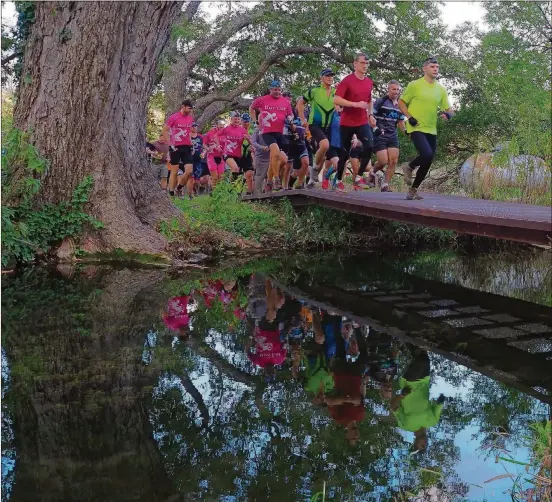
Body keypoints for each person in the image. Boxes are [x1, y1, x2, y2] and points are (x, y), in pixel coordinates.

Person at [398, 57, 454, 200]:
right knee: (427, 154)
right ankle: (410, 166)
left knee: (428, 160)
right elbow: (401, 102)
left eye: (437, 67)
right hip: (415, 126)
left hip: (431, 129)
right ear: (425, 69)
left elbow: (449, 109)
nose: (436, 69)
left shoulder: (440, 89)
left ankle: (413, 189)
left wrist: (448, 115)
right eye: (432, 66)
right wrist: (409, 116)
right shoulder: (414, 85)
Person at [333, 53, 377, 192]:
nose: (365, 66)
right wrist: (355, 104)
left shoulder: (369, 82)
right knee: (344, 154)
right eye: (363, 63)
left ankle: (358, 177)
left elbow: (369, 100)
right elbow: (337, 100)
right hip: (346, 122)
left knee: (369, 146)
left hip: (362, 121)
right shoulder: (347, 81)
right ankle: (339, 180)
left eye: (367, 63)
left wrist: (370, 114)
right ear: (355, 64)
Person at [390, 347, 445, 453]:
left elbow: (393, 406)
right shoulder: (432, 421)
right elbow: (438, 406)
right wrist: (441, 400)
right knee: (423, 354)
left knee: (422, 359)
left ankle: (403, 338)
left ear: (415, 443)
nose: (425, 444)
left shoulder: (406, 425)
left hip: (409, 383)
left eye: (421, 446)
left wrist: (401, 396)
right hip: (425, 381)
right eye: (426, 445)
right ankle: (405, 338)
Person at [249, 80, 294, 192]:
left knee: (284, 160)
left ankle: (268, 180)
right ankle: (276, 179)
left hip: (280, 133)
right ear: (270, 90)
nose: (277, 92)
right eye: (275, 90)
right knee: (274, 152)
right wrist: (255, 122)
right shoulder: (263, 99)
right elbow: (252, 108)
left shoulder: (285, 102)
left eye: (279, 90)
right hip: (267, 131)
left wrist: (290, 119)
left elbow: (290, 114)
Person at [297, 68, 337, 186]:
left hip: (329, 126)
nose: (330, 78)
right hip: (315, 125)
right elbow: (300, 102)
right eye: (327, 75)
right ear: (321, 78)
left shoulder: (336, 92)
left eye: (331, 76)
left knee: (325, 157)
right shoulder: (314, 91)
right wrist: (303, 119)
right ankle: (314, 169)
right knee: (324, 145)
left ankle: (312, 180)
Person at [364, 80, 407, 192]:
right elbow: (370, 116)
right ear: (388, 90)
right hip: (380, 135)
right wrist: (375, 128)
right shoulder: (381, 101)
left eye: (398, 89)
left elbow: (401, 122)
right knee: (383, 161)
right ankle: (372, 173)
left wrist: (407, 133)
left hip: (392, 135)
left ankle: (385, 185)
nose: (396, 91)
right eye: (393, 89)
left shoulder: (400, 105)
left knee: (393, 161)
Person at [162, 99, 195, 197]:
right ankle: (171, 193)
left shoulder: (190, 118)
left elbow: (188, 132)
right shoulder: (174, 117)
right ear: (183, 106)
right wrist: (169, 144)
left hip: (187, 147)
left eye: (191, 109)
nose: (190, 111)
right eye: (189, 108)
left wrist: (191, 144)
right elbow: (164, 130)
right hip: (175, 147)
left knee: (189, 171)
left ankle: (179, 188)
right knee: (174, 172)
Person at [221, 111, 251, 191]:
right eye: (235, 119)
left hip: (238, 154)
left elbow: (249, 140)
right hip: (227, 153)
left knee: (238, 173)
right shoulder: (227, 128)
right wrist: (218, 144)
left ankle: (232, 189)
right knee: (235, 168)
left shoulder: (242, 129)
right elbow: (217, 135)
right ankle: (229, 188)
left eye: (238, 119)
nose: (237, 121)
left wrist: (249, 141)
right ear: (231, 119)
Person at [203, 119, 226, 188]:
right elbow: (204, 144)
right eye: (220, 126)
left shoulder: (225, 133)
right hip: (212, 156)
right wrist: (207, 148)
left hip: (221, 157)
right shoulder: (210, 133)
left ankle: (220, 192)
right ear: (217, 125)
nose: (221, 128)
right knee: (215, 177)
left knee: (221, 177)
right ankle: (214, 192)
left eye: (223, 126)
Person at [190, 122, 211, 195]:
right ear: (190, 127)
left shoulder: (200, 137)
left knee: (197, 179)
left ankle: (195, 189)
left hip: (198, 160)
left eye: (196, 126)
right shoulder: (187, 136)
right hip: (188, 160)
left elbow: (204, 146)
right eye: (193, 126)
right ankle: (190, 194)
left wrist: (204, 152)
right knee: (190, 177)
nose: (195, 127)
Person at [250, 126, 271, 195]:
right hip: (260, 157)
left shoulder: (272, 129)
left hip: (271, 156)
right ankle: (257, 195)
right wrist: (261, 147)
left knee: (270, 176)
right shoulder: (257, 130)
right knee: (259, 176)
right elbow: (253, 142)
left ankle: (269, 194)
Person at [240, 113, 255, 195]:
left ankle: (249, 193)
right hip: (238, 154)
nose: (246, 123)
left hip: (248, 154)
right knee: (237, 174)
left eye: (247, 121)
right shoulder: (237, 129)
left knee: (249, 173)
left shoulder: (252, 130)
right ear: (241, 121)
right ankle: (235, 192)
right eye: (244, 121)